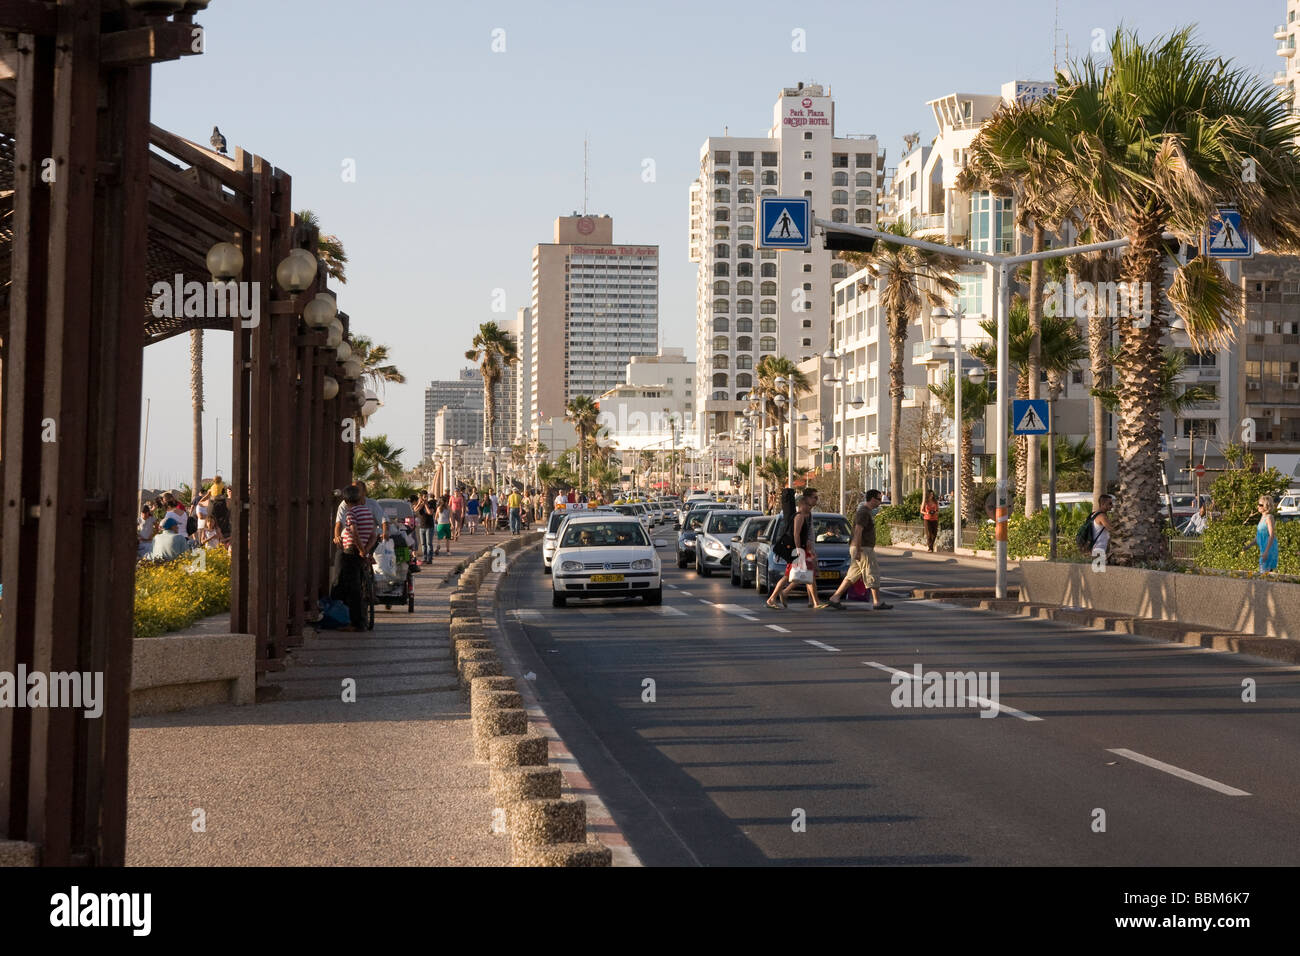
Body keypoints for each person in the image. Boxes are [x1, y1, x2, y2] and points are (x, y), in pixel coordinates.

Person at [826, 489, 891, 610]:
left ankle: (835, 597)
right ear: (872, 499)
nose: (880, 502)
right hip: (863, 548)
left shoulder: (866, 512)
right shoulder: (864, 513)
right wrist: (858, 549)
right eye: (878, 499)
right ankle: (877, 602)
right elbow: (858, 530)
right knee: (872, 573)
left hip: (860, 547)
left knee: (852, 575)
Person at [767, 487, 827, 610]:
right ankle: (814, 601)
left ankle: (776, 597)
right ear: (804, 503)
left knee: (792, 575)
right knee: (799, 575)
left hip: (801, 550)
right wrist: (799, 550)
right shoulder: (799, 517)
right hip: (798, 551)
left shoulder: (807, 516)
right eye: (814, 497)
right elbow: (796, 534)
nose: (816, 500)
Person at [332, 484, 376, 632]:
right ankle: (356, 619)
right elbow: (373, 536)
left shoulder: (351, 514)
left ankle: (356, 623)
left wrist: (361, 549)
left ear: (347, 501)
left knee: (352, 588)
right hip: (360, 552)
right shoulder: (368, 512)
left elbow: (354, 533)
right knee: (356, 585)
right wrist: (366, 550)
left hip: (350, 552)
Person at [1247, 495, 1278, 574]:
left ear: (1266, 506)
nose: (1258, 506)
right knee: (1263, 573)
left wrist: (1266, 552)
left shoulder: (1269, 517)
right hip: (1263, 549)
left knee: (1263, 573)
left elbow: (1272, 535)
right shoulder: (1262, 518)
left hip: (1268, 549)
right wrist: (1248, 546)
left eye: (1260, 505)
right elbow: (1259, 537)